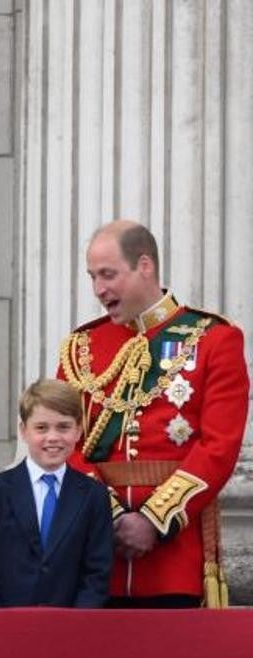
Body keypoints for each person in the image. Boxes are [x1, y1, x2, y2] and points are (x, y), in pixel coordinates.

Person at [58, 220, 249, 608]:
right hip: (98, 557)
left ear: (145, 266)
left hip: (173, 557)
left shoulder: (213, 339)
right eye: (93, 277)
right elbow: (63, 442)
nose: (98, 289)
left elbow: (219, 448)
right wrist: (110, 516)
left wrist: (153, 520)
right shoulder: (82, 348)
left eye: (108, 275)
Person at [0, 379, 113, 608]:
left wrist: (78, 623)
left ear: (79, 430)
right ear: (24, 431)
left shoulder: (94, 495)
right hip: (4, 627)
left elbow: (97, 572)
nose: (52, 437)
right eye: (41, 428)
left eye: (63, 427)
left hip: (70, 629)